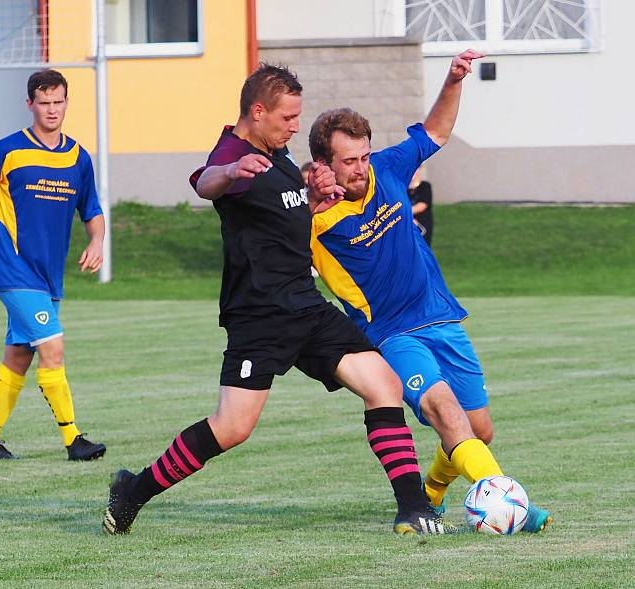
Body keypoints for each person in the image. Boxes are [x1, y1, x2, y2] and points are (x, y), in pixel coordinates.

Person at [103, 64, 455, 537]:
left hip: (305, 306)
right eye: (288, 117)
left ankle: (413, 508)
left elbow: (286, 221)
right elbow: (206, 183)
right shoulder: (233, 152)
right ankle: (134, 490)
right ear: (258, 110)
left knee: (383, 385)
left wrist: (314, 202)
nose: (294, 126)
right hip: (259, 317)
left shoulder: (281, 154)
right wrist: (228, 171)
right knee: (232, 428)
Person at [306, 50, 552, 532]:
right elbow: (283, 215)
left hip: (441, 316)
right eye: (347, 161)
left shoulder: (388, 169)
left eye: (363, 156)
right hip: (393, 335)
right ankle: (510, 506)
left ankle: (431, 495)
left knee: (478, 431)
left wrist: (454, 79)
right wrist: (308, 194)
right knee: (444, 409)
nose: (359, 168)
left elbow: (435, 132)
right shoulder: (313, 221)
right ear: (325, 163)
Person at [0, 69, 107, 462]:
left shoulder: (78, 157)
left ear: (67, 103)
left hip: (48, 277)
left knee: (20, 354)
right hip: (13, 269)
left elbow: (93, 210)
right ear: (30, 104)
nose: (52, 110)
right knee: (52, 347)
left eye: (59, 102)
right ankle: (74, 440)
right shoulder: (7, 151)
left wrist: (97, 240)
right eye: (44, 102)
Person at [408, 167, 433, 245]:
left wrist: (405, 213)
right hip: (407, 226)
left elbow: (422, 205)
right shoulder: (402, 188)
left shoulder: (425, 186)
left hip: (421, 225)